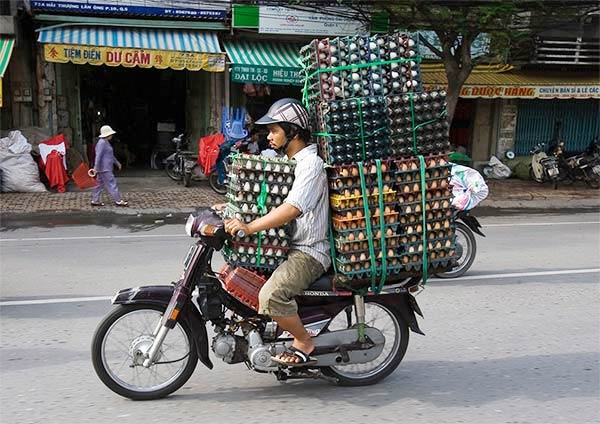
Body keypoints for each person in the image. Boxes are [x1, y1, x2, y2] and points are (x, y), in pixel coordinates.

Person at [221, 98, 330, 366]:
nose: (269, 136)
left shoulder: (310, 165)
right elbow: (271, 200)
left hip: (308, 251)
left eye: (274, 130)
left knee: (271, 296)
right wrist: (233, 207)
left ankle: (304, 341)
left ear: (292, 132)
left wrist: (249, 227)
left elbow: (292, 208)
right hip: (287, 246)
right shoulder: (289, 161)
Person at [89, 125, 128, 207]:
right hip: (105, 168)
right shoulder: (102, 143)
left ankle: (95, 200)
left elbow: (110, 155)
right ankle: (118, 200)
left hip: (103, 168)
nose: (112, 136)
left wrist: (117, 162)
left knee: (99, 185)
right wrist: (95, 168)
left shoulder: (104, 142)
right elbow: (98, 156)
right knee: (111, 183)